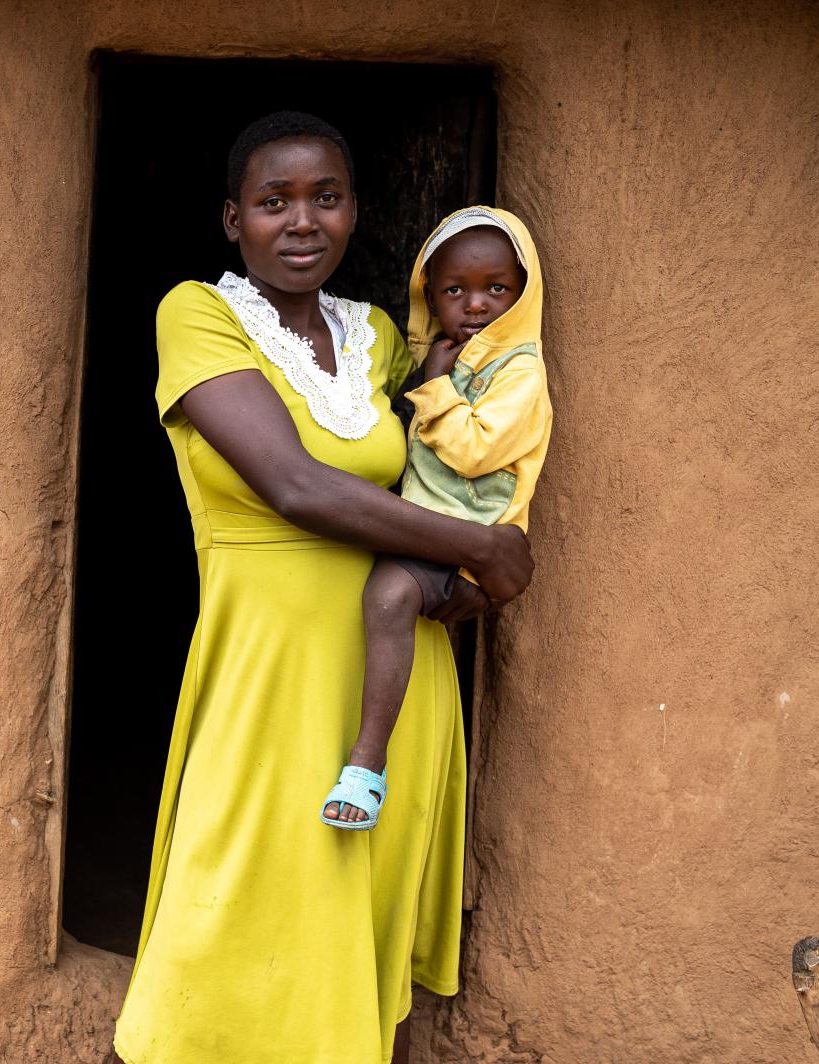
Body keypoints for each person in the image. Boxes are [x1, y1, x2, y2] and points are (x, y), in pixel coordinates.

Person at [110, 111, 533, 1064]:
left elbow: (446, 456)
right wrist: (479, 547)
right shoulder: (198, 314)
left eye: (325, 198)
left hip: (388, 672)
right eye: (274, 202)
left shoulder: (378, 334)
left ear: (353, 215)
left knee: (349, 908)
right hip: (271, 667)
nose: (302, 221)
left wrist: (474, 558)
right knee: (243, 897)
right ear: (233, 220)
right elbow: (295, 486)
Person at [321, 207, 552, 829]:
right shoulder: (443, 358)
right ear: (429, 295)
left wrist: (435, 386)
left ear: (523, 295)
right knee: (383, 605)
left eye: (496, 289)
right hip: (421, 532)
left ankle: (366, 763)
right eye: (455, 290)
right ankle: (370, 767)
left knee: (388, 599)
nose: (475, 305)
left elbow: (477, 451)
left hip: (467, 541)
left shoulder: (521, 372)